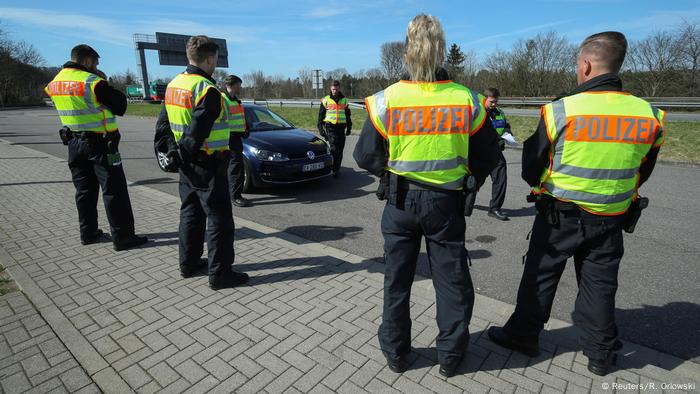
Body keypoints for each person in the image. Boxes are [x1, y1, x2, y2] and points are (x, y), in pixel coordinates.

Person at [488, 32, 665, 377]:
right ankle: (600, 355)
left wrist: (543, 185)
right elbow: (644, 167)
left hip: (560, 216)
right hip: (612, 217)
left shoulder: (562, 109)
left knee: (540, 276)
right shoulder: (650, 114)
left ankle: (523, 337)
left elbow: (531, 164)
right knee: (599, 285)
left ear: (586, 64)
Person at [354, 14, 501, 378]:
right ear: (441, 51)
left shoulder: (386, 100)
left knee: (397, 282)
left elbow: (364, 155)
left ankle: (396, 353)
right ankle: (451, 356)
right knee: (451, 282)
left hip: (400, 203)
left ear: (407, 53)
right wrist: (471, 181)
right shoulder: (466, 99)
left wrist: (387, 173)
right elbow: (488, 155)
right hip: (446, 205)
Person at [158, 35, 249, 290]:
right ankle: (220, 274)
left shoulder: (174, 84)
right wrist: (184, 153)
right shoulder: (207, 89)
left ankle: (188, 263)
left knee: (190, 212)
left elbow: (164, 125)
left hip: (186, 165)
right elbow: (198, 130)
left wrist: (171, 155)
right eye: (216, 59)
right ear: (210, 59)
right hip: (207, 163)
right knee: (219, 219)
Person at [45, 44, 148, 251]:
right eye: (96, 62)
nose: (97, 66)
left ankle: (88, 232)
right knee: (114, 191)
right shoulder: (92, 82)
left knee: (84, 191)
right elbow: (120, 105)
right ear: (87, 61)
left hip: (73, 143)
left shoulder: (54, 82)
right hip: (101, 144)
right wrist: (104, 82)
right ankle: (123, 236)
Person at [483, 88, 512, 221]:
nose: (494, 104)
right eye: (492, 101)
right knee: (472, 182)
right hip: (478, 152)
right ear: (485, 98)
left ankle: (494, 208)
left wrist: (507, 134)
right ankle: (462, 204)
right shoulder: (477, 113)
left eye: (496, 101)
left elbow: (506, 126)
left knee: (500, 177)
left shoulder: (499, 112)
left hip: (495, 152)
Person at [222, 75, 251, 207]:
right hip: (229, 139)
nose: (241, 87)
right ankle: (235, 196)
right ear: (233, 85)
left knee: (235, 167)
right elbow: (221, 122)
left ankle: (232, 194)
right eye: (239, 84)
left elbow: (239, 119)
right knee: (235, 168)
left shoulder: (235, 100)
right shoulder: (223, 100)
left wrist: (245, 129)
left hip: (237, 137)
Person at [318, 80, 352, 178]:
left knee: (340, 150)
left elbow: (348, 115)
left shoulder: (344, 100)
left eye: (336, 89)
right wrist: (321, 129)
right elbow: (320, 117)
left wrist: (349, 127)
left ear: (339, 88)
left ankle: (336, 169)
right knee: (334, 148)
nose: (334, 91)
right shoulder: (326, 100)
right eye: (333, 89)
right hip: (330, 128)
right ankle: (332, 168)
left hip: (341, 128)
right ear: (330, 88)